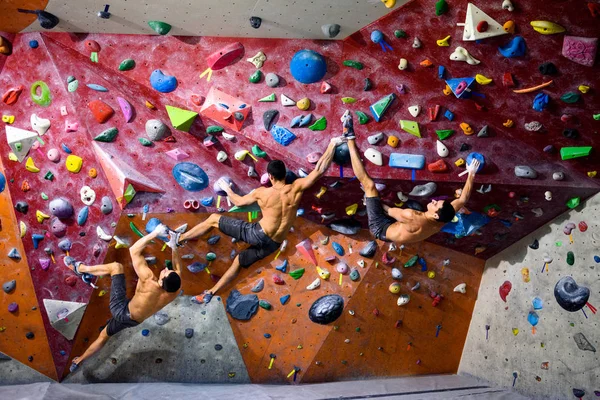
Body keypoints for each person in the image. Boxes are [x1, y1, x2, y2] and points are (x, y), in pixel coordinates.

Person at [179, 137, 345, 302]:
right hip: (274, 244)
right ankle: (211, 293)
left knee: (214, 218)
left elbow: (238, 202)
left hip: (258, 234)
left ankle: (179, 239)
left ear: (270, 176)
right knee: (238, 262)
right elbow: (319, 170)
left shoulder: (262, 193)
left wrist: (226, 189)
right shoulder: (296, 188)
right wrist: (332, 144)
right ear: (284, 175)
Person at [341, 109, 480, 245]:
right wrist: (471, 173)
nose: (433, 200)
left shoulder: (412, 216)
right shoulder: (444, 217)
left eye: (436, 204)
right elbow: (463, 199)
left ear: (436, 215)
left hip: (379, 227)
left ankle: (349, 138)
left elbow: (388, 210)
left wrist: (369, 200)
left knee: (369, 186)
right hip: (396, 232)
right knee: (394, 218)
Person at [66, 224, 182, 372]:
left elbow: (134, 250)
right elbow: (177, 270)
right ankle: (79, 361)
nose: (165, 269)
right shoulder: (174, 291)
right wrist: (174, 246)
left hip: (121, 309)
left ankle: (80, 269)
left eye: (165, 272)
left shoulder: (149, 280)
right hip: (134, 321)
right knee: (103, 336)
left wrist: (155, 233)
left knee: (116, 267)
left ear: (160, 282)